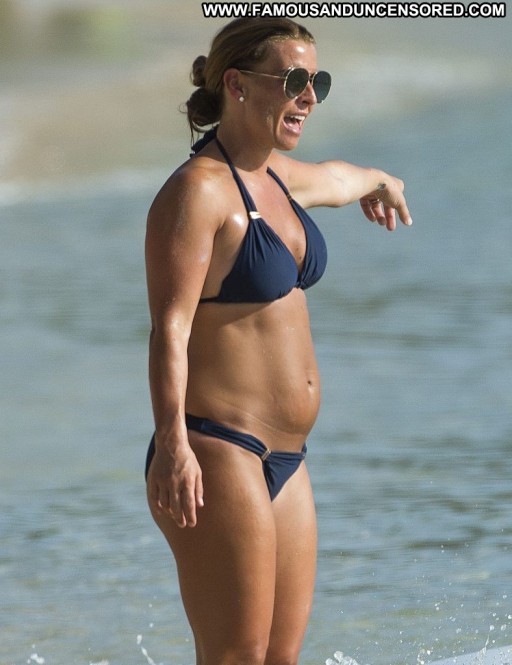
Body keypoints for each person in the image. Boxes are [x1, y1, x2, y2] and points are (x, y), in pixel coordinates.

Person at [144, 17, 412, 665]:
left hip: (288, 457)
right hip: (216, 447)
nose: (309, 97)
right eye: (294, 80)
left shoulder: (281, 179)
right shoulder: (197, 193)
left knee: (281, 657)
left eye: (317, 82)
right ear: (237, 85)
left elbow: (340, 179)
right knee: (236, 654)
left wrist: (382, 179)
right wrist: (173, 444)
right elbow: (170, 329)